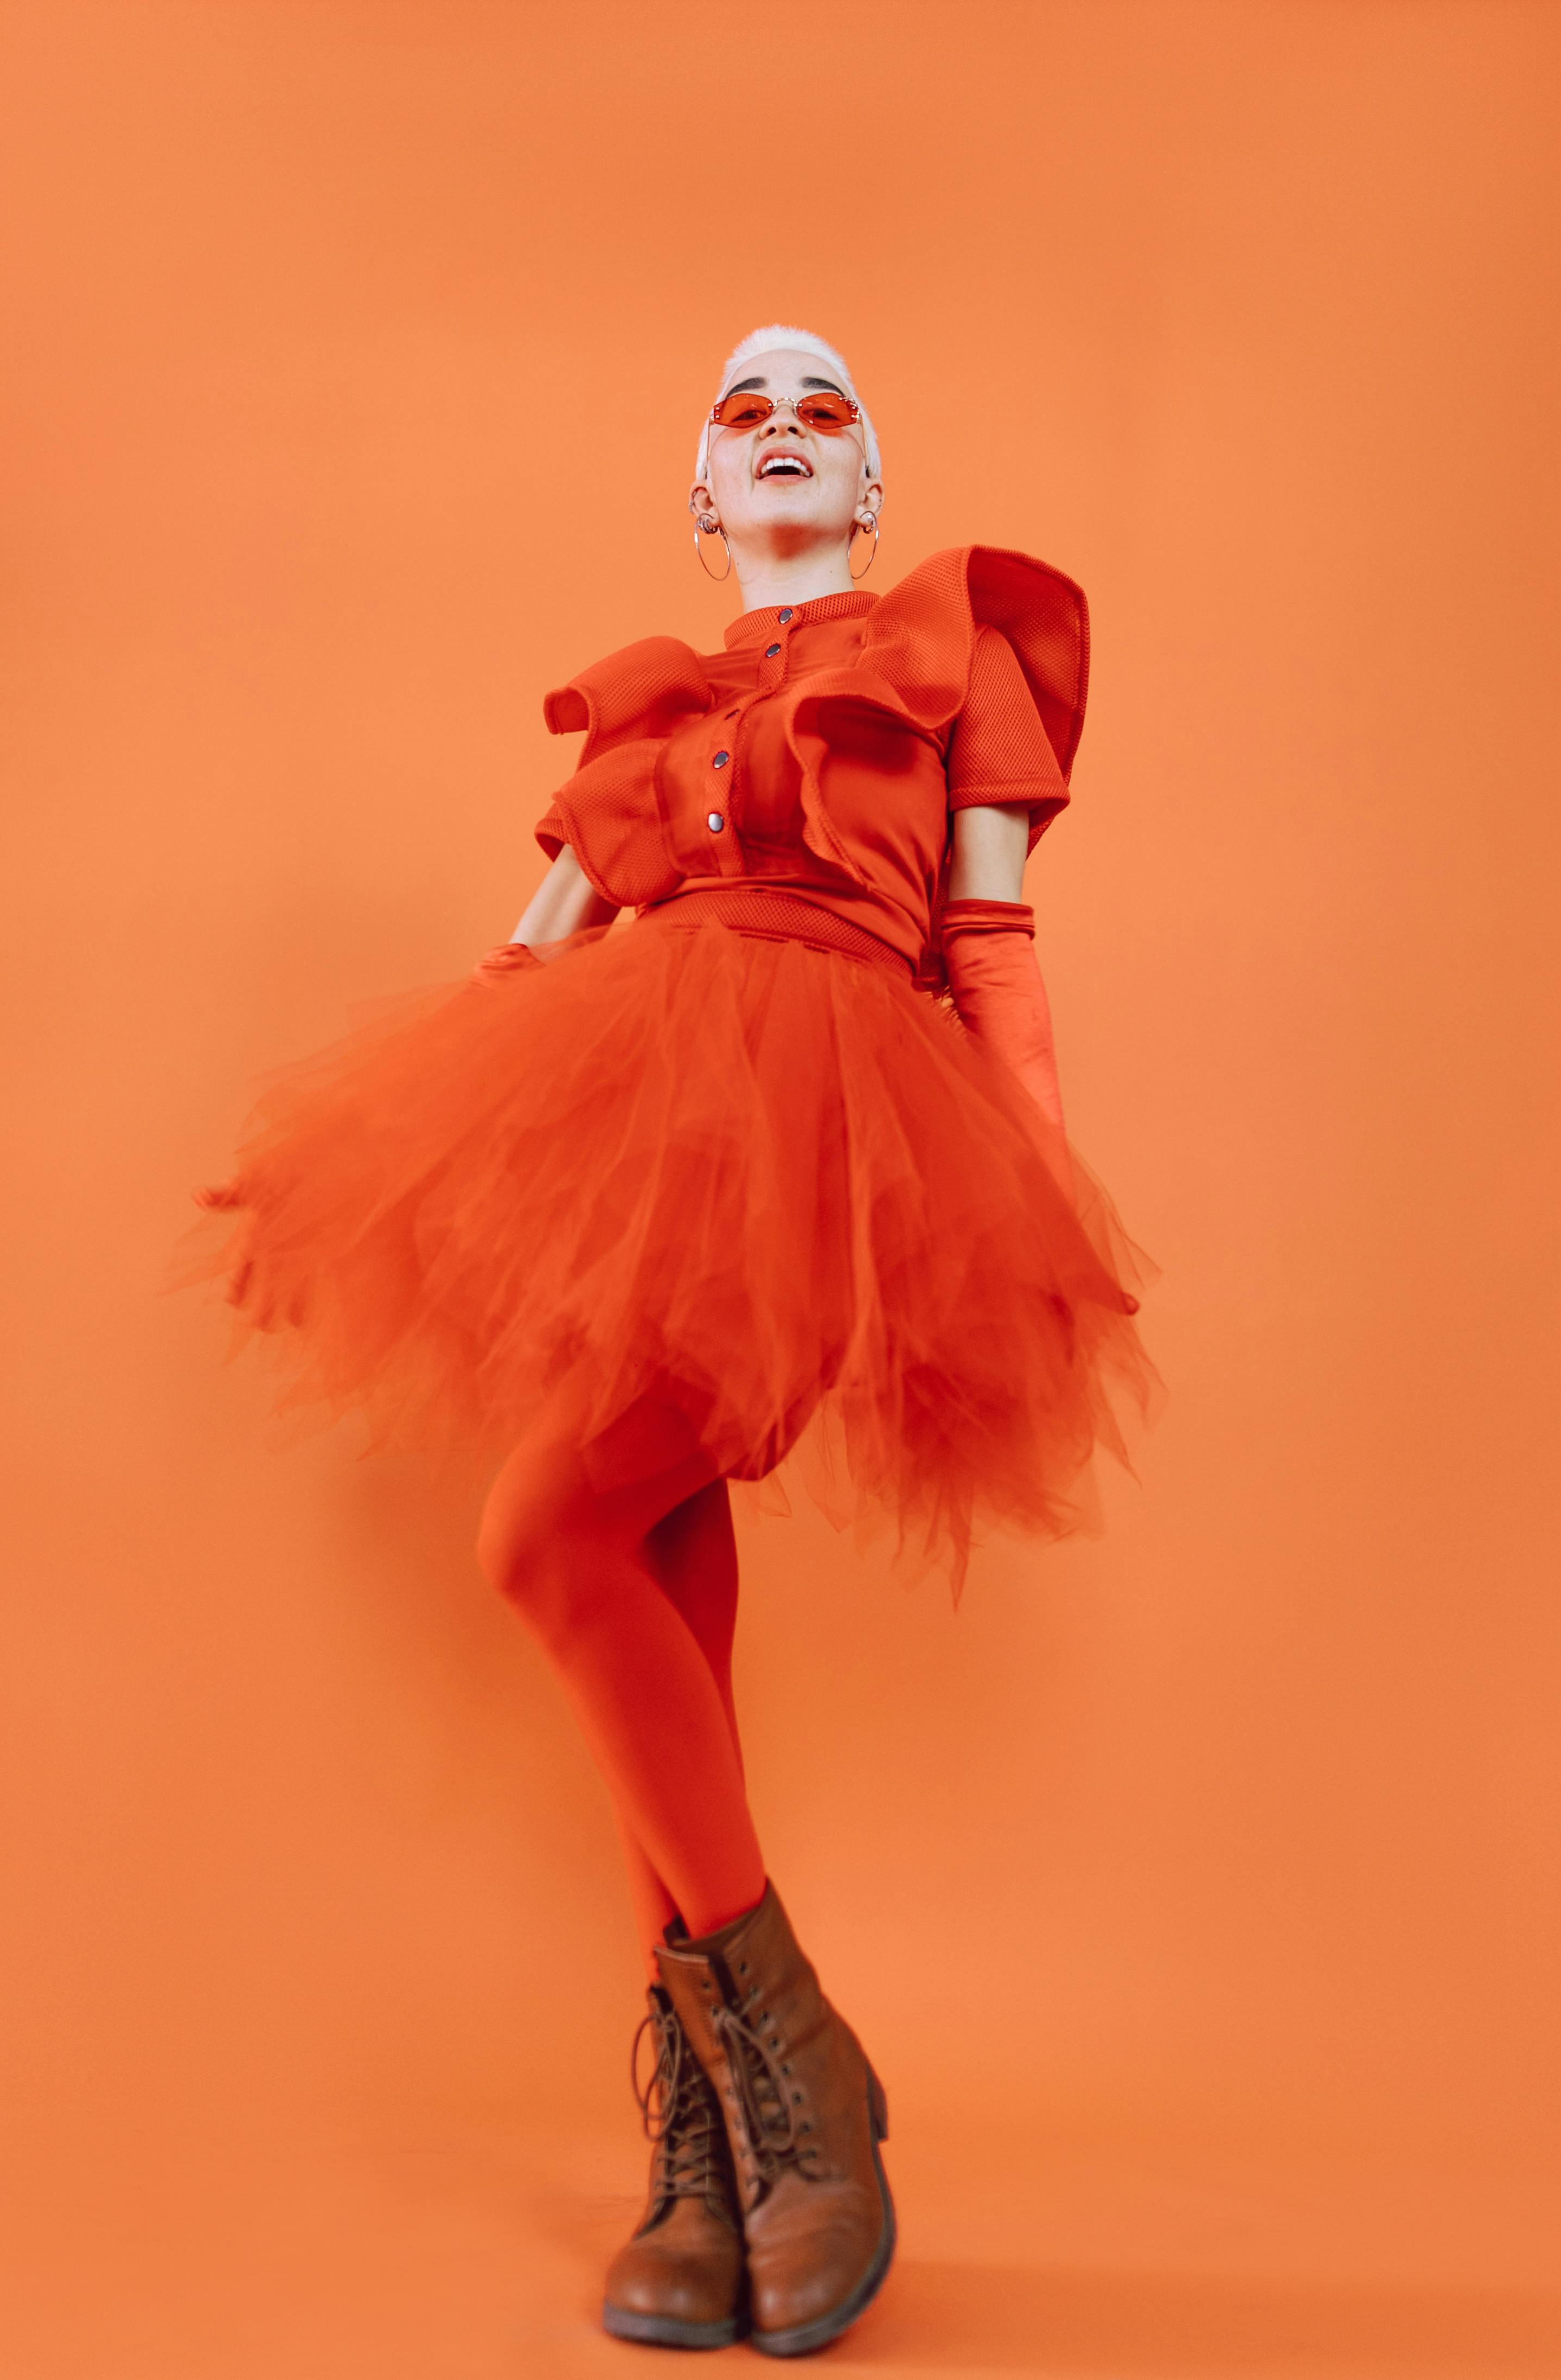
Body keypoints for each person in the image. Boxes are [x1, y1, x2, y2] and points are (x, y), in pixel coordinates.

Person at [194, 325, 1151, 2358]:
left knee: (543, 1536)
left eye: (825, 411)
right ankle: (724, 2145)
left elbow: (986, 937)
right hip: (639, 1118)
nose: (785, 427)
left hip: (836, 1133)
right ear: (701, 500)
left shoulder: (944, 652)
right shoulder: (645, 716)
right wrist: (339, 1171)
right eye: (745, 415)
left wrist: (1042, 1199)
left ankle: (797, 2067)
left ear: (868, 491)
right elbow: (524, 960)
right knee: (644, 1567)